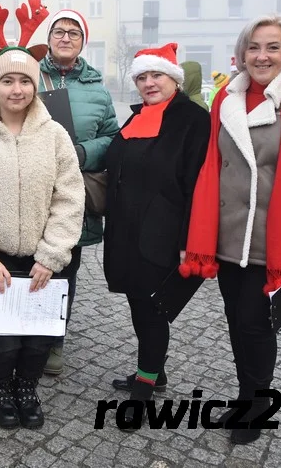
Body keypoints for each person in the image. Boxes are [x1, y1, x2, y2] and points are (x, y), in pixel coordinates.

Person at [179, 14, 281, 444]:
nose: (262, 55)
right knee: (240, 323)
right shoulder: (226, 99)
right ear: (242, 52)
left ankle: (255, 406)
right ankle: (247, 394)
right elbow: (212, 168)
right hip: (229, 239)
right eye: (254, 47)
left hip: (275, 243)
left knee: (256, 326)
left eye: (272, 46)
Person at [0, 5, 85, 429]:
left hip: (44, 259)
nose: (17, 88)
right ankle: (0, 389)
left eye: (25, 80)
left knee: (39, 338)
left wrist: (53, 253)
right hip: (0, 257)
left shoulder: (55, 134)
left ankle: (27, 388)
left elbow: (70, 197)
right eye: (8, 80)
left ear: (35, 85)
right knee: (3, 340)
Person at [104, 43, 211, 430]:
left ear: (174, 79)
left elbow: (199, 185)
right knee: (138, 305)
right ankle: (153, 371)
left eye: (156, 76)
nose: (149, 83)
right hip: (128, 231)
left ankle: (145, 390)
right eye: (142, 77)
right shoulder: (139, 117)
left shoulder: (193, 119)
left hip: (163, 233)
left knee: (151, 312)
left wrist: (189, 240)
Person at [38, 9, 119, 375]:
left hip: (75, 190)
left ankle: (55, 339)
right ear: (50, 37)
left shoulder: (98, 90)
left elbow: (113, 137)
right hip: (33, 187)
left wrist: (86, 153)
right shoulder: (30, 75)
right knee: (26, 262)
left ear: (83, 41)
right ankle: (21, 335)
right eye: (59, 31)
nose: (66, 37)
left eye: (74, 32)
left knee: (65, 268)